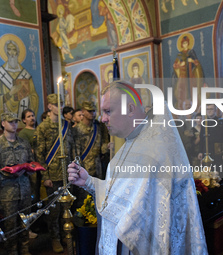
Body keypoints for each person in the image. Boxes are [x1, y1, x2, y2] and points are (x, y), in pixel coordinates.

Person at [68, 80, 207, 254]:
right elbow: (119, 195)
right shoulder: (131, 143)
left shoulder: (155, 153)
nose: (102, 118)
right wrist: (88, 181)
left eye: (108, 111)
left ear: (130, 109)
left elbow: (141, 218)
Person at [0, 112, 34, 255]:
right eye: (10, 122)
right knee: (10, 225)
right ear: (3, 123)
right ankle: (12, 251)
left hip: (25, 190)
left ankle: (25, 249)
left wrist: (28, 170)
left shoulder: (23, 143)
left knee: (25, 222)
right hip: (8, 192)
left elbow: (31, 162)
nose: (14, 124)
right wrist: (8, 173)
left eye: (15, 122)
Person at [36, 94, 74, 253]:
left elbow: (71, 147)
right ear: (50, 106)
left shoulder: (66, 125)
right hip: (52, 175)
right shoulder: (43, 128)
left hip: (66, 174)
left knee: (68, 207)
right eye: (56, 104)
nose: (60, 106)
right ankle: (55, 238)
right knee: (54, 211)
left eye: (62, 104)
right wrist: (45, 177)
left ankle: (67, 236)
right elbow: (39, 154)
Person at [0, 40, 39, 127]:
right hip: (7, 115)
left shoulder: (25, 74)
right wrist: (9, 94)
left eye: (14, 50)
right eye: (9, 49)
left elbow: (34, 96)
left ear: (18, 52)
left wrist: (26, 97)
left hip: (23, 115)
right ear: (6, 52)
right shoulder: (0, 74)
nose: (12, 53)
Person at [72, 101, 109, 210]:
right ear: (83, 112)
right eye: (89, 111)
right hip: (84, 169)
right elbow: (75, 153)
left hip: (98, 168)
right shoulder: (76, 130)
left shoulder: (98, 127)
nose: (92, 113)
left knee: (98, 198)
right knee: (83, 201)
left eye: (93, 111)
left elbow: (101, 147)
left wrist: (108, 147)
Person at [172, 35, 204, 109]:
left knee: (192, 91)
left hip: (191, 76)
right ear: (181, 45)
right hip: (182, 77)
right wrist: (180, 65)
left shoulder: (191, 52)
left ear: (188, 43)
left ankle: (194, 106)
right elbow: (175, 65)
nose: (185, 45)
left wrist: (192, 61)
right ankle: (182, 107)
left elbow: (197, 63)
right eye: (183, 43)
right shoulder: (179, 55)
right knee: (181, 92)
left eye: (186, 43)